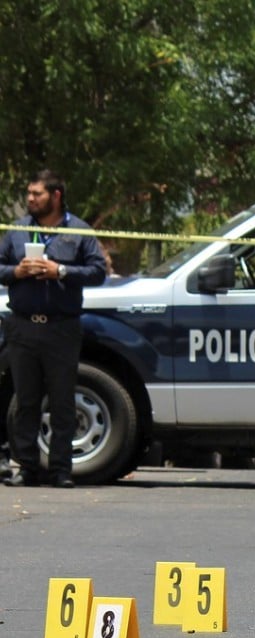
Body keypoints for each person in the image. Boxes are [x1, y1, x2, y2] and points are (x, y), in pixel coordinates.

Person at [0, 170, 107, 488]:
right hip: (22, 327)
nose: (30, 199)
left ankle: (61, 470)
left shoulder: (79, 230)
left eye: (37, 194)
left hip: (61, 329)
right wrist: (16, 271)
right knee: (26, 401)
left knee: (62, 401)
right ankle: (27, 468)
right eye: (29, 193)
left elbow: (97, 271)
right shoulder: (18, 230)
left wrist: (60, 270)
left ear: (56, 195)